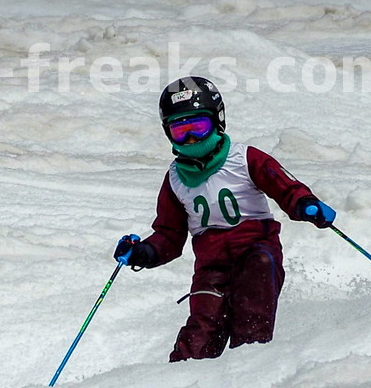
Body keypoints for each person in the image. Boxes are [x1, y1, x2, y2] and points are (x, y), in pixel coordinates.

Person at [114, 76, 336, 361]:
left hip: (256, 249)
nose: (191, 138)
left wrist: (305, 203)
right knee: (201, 332)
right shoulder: (175, 180)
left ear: (217, 121)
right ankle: (181, 385)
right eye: (180, 131)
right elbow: (169, 235)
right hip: (212, 267)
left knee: (254, 290)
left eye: (198, 127)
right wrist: (143, 252)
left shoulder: (244, 159)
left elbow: (285, 187)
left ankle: (249, 365)